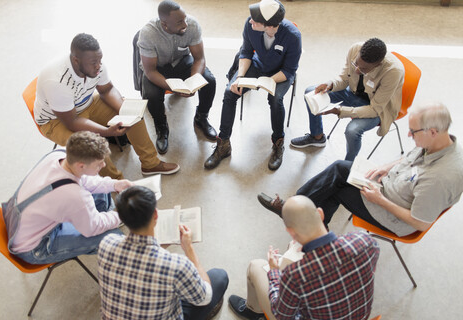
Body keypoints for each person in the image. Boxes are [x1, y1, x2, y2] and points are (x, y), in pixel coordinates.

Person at [259, 103, 463, 237]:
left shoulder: (439, 180)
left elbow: (419, 223)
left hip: (390, 211)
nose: (409, 135)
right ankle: (305, 217)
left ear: (433, 132)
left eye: (413, 131)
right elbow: (412, 157)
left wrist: (379, 200)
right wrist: (387, 166)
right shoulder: (438, 142)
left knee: (334, 189)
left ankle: (297, 214)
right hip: (388, 185)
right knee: (339, 168)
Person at [34, 33, 179, 179]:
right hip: (55, 121)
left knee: (134, 115)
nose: (98, 66)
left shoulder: (94, 64)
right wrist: (107, 132)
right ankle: (117, 184)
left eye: (100, 60)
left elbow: (107, 90)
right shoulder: (57, 82)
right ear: (76, 61)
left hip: (86, 103)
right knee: (93, 147)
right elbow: (72, 122)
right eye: (93, 63)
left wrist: (124, 111)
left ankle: (150, 164)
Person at [229, 195, 380, 320]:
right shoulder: (365, 241)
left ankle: (253, 311)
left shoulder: (295, 275)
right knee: (291, 250)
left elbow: (282, 315)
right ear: (321, 214)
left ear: (290, 231)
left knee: (256, 266)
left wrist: (274, 272)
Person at [98, 186, 229, 320]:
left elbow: (138, 260)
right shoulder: (177, 265)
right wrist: (188, 248)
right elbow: (204, 297)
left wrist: (159, 244)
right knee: (219, 276)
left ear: (121, 217)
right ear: (155, 214)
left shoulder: (106, 243)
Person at [205, 0, 301, 171]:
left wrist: (269, 81)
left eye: (255, 20)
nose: (250, 21)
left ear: (269, 26)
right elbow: (246, 52)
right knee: (230, 92)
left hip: (281, 74)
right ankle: (224, 143)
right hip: (258, 66)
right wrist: (240, 77)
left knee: (276, 98)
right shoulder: (249, 26)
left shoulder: (292, 36)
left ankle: (278, 143)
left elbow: (289, 70)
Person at [7, 131, 129, 264]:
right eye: (99, 163)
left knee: (103, 189)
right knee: (113, 237)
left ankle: (93, 217)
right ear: (81, 165)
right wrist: (122, 216)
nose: (104, 165)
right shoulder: (74, 196)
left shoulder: (60, 154)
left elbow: (85, 180)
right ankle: (97, 221)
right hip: (34, 247)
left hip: (19, 221)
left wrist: (115, 184)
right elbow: (92, 228)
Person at [291, 38, 405, 161]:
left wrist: (340, 111)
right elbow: (345, 79)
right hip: (352, 93)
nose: (357, 70)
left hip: (377, 108)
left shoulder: (393, 72)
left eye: (364, 69)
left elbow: (375, 109)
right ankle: (317, 136)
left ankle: (347, 166)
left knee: (352, 131)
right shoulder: (355, 49)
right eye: (356, 64)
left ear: (378, 65)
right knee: (311, 92)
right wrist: (331, 84)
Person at [137, 0, 217, 154]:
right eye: (180, 22)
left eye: (185, 18)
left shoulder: (192, 25)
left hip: (182, 62)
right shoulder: (148, 34)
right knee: (151, 95)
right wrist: (174, 88)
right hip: (157, 68)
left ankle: (201, 117)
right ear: (165, 25)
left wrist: (194, 82)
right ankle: (161, 128)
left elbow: (199, 59)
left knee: (209, 81)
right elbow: (150, 71)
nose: (185, 24)